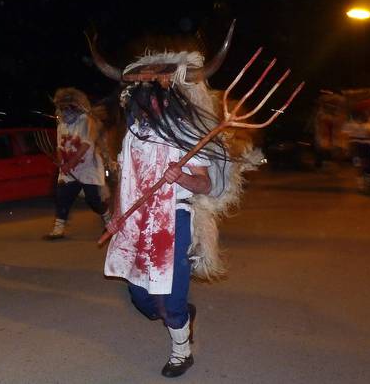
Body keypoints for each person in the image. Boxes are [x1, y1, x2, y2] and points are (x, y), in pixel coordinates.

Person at [88, 24, 255, 378]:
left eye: (150, 91)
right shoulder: (132, 134)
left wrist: (182, 177)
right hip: (135, 220)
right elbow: (124, 179)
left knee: (169, 293)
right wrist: (116, 214)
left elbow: (206, 184)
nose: (142, 98)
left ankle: (182, 348)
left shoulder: (187, 134)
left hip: (173, 218)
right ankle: (171, 313)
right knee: (141, 296)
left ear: (166, 93)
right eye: (138, 91)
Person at [44, 87, 110, 240]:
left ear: (75, 107)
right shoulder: (62, 124)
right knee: (62, 196)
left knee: (94, 200)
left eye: (67, 108)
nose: (64, 112)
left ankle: (108, 220)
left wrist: (70, 164)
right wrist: (61, 160)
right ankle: (58, 229)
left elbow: (85, 145)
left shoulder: (86, 121)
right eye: (62, 108)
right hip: (68, 169)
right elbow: (59, 146)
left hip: (88, 168)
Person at [342, 106, 370, 194]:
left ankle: (363, 186)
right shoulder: (367, 125)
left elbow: (345, 137)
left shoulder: (350, 125)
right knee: (369, 167)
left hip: (357, 147)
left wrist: (346, 148)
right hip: (366, 147)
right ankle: (366, 186)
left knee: (360, 166)